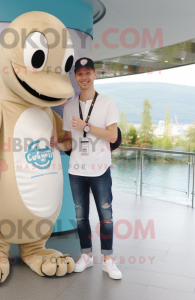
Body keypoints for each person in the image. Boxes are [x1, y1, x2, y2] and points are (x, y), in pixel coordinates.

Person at [50, 57, 122, 279]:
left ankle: (108, 261)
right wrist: (58, 144)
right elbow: (72, 141)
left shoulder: (107, 103)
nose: (83, 77)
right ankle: (87, 256)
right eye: (79, 73)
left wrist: (87, 126)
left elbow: (111, 135)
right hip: (76, 170)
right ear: (75, 76)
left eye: (87, 73)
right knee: (81, 217)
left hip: (100, 169)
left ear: (94, 74)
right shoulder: (69, 106)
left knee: (106, 216)